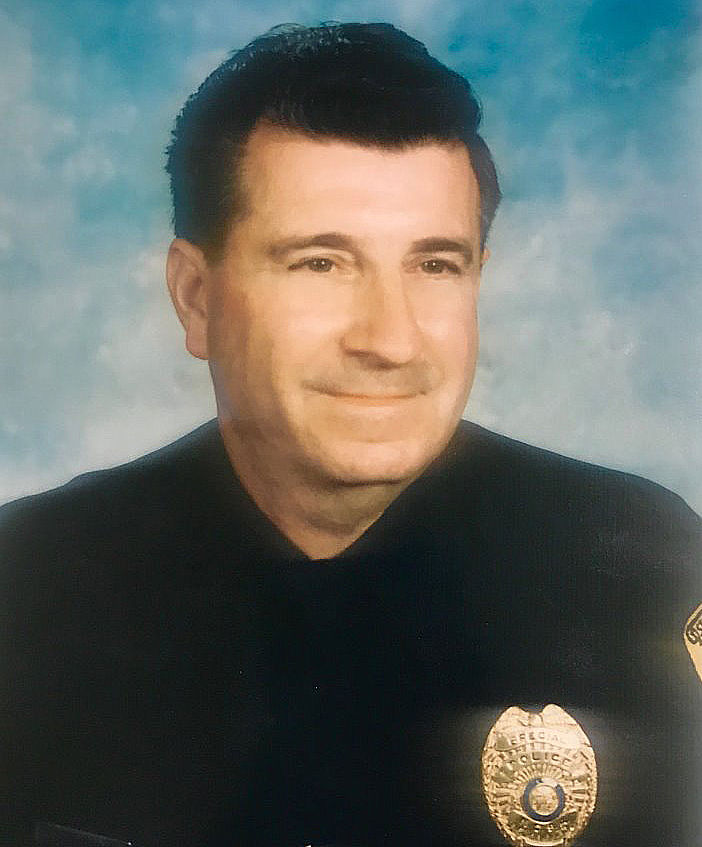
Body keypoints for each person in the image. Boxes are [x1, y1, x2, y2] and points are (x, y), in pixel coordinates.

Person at [0, 22, 699, 847]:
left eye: (435, 264)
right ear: (196, 298)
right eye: (320, 263)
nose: (390, 339)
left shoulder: (638, 563)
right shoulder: (28, 585)